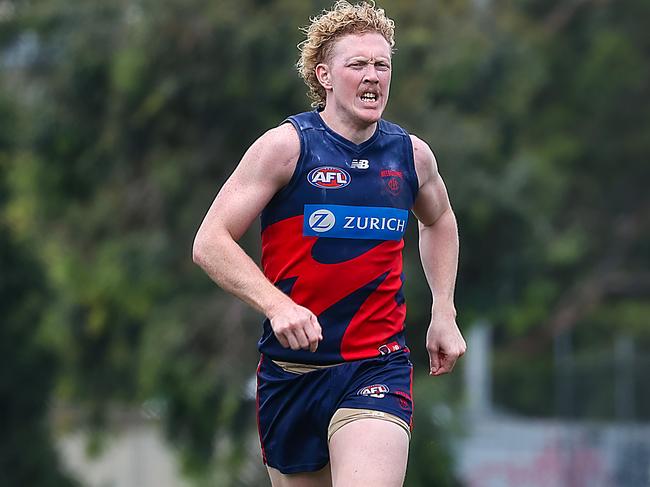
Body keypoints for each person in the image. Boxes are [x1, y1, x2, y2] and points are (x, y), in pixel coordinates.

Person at [192, 1, 466, 485]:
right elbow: (210, 241)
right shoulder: (286, 148)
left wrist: (444, 310)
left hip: (375, 367)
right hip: (291, 375)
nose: (373, 76)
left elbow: (439, 219)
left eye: (382, 65)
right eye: (357, 64)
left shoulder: (411, 156)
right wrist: (278, 306)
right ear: (324, 74)